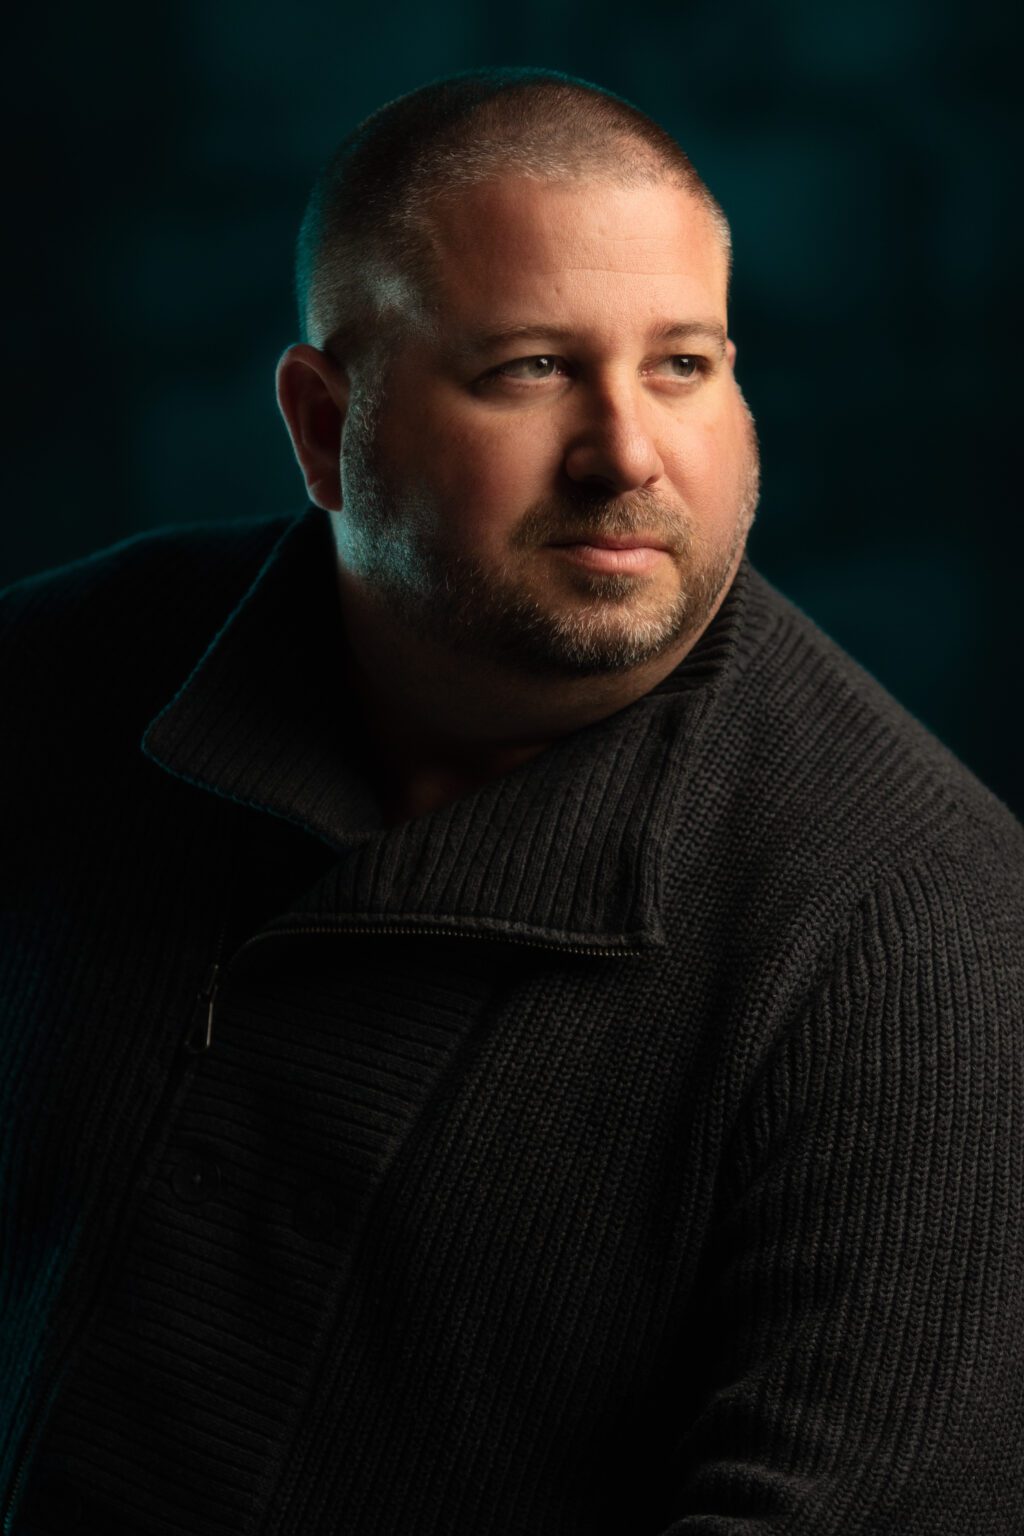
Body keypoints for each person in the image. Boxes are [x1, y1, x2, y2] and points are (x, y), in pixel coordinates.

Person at [2, 66, 1022, 1536]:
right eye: (532, 369)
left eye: (682, 365)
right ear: (323, 427)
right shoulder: (53, 681)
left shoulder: (919, 941)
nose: (627, 454)